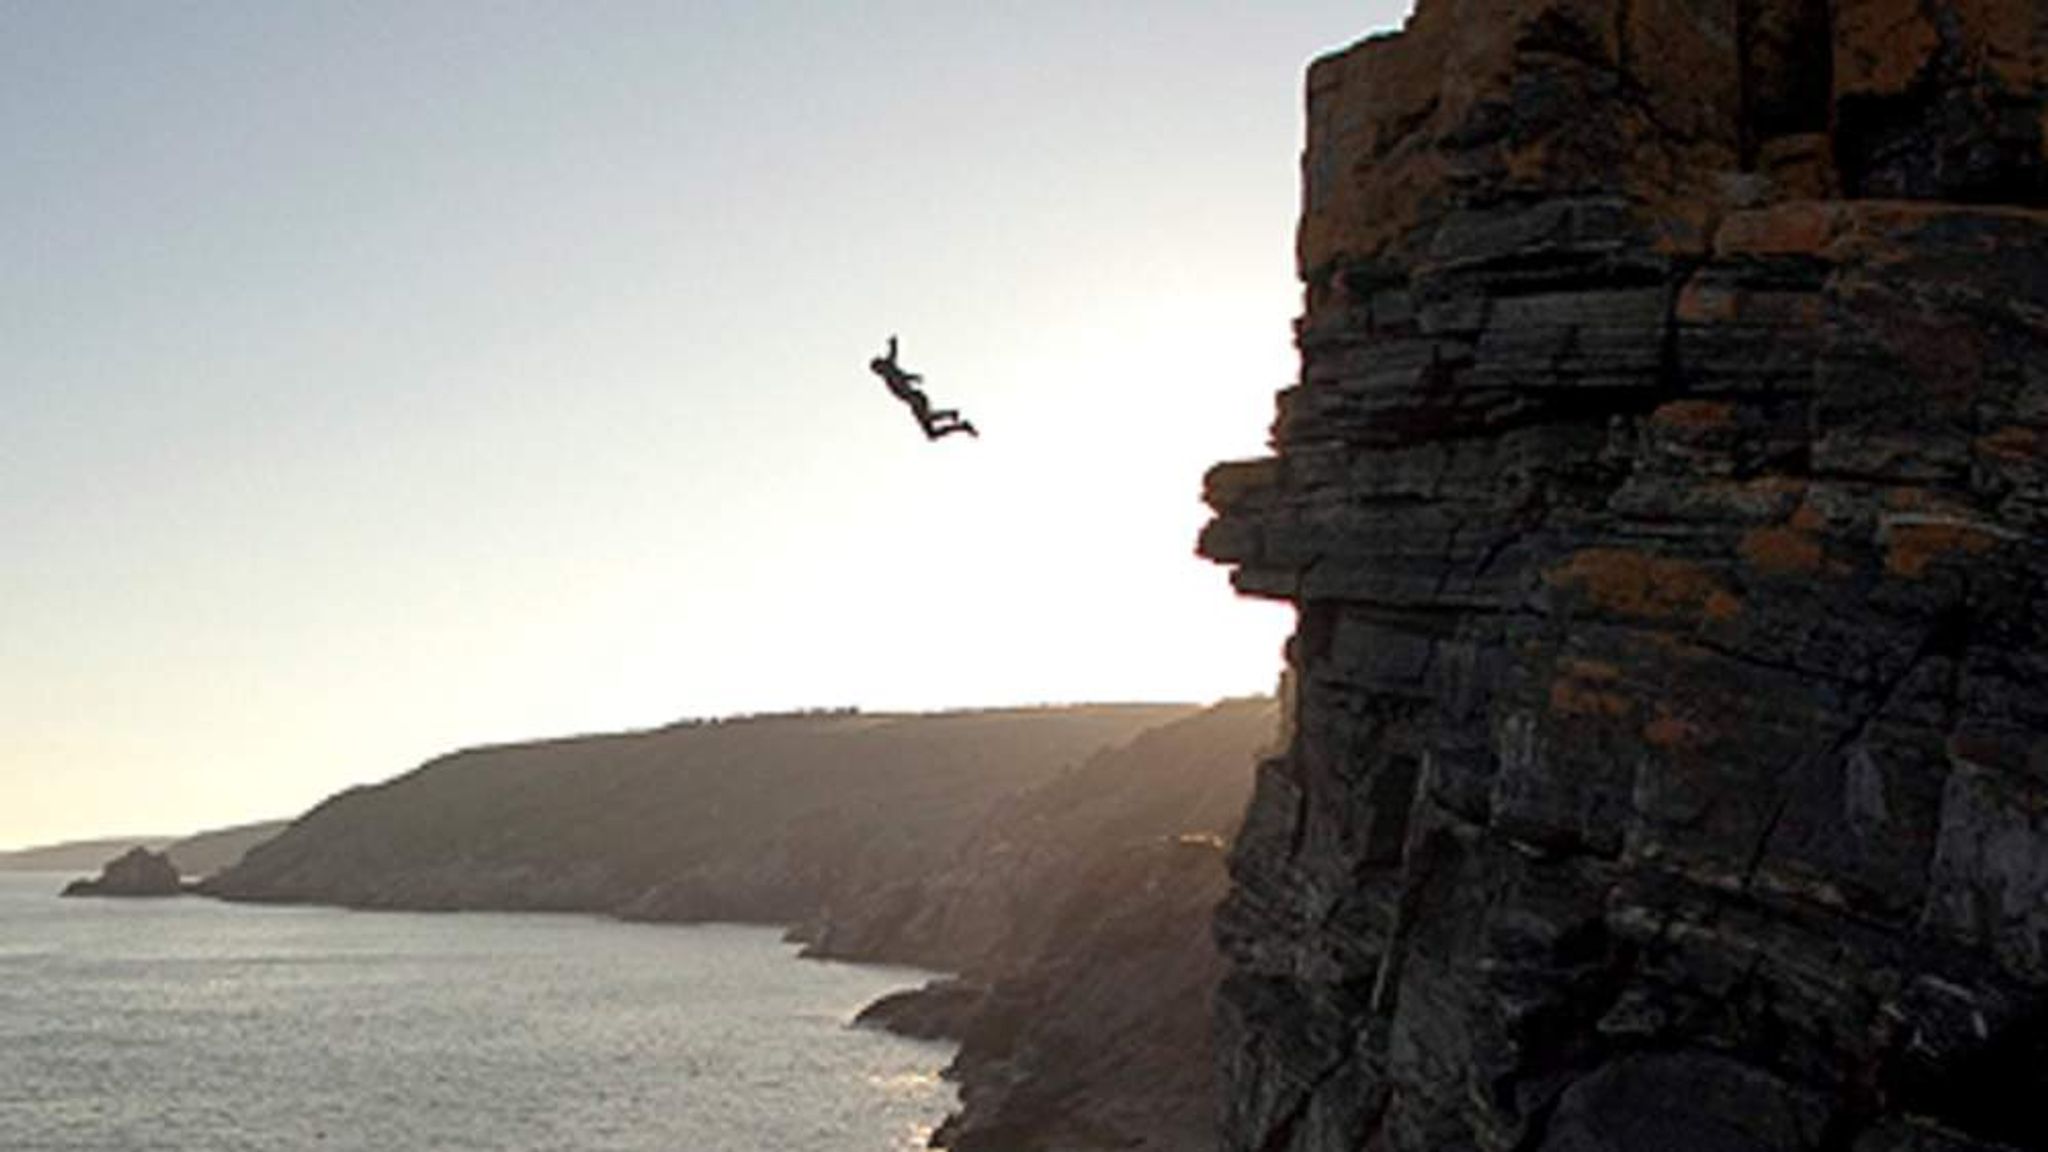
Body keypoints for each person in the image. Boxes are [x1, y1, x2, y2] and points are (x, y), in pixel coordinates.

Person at [869, 336, 978, 440]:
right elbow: (902, 373)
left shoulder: (890, 371)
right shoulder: (889, 375)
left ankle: (951, 413)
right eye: (877, 371)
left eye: (878, 369)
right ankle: (963, 426)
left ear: (882, 366)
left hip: (915, 398)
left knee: (927, 417)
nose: (879, 372)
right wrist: (913, 377)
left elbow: (893, 356)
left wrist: (893, 344)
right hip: (912, 403)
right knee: (931, 434)